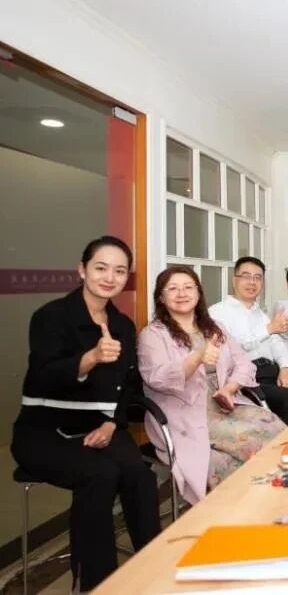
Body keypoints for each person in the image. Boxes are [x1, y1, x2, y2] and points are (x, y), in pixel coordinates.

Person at [12, 236, 160, 593]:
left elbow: (127, 386)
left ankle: (155, 571)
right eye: (101, 268)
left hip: (98, 427)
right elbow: (43, 376)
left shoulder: (122, 325)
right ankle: (97, 583)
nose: (110, 277)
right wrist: (90, 358)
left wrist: (112, 422)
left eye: (119, 271)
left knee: (139, 475)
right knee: (100, 475)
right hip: (44, 432)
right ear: (82, 270)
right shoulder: (51, 317)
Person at [138, 266, 285, 504]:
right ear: (161, 298)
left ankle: (274, 500)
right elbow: (157, 378)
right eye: (173, 289)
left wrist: (229, 388)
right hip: (183, 412)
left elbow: (244, 364)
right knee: (249, 443)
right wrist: (197, 357)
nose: (182, 293)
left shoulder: (214, 327)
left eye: (188, 287)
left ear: (198, 293)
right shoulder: (153, 335)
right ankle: (248, 507)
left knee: (276, 429)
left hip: (225, 403)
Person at [209, 257, 288, 425]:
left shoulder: (260, 313)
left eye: (257, 277)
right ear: (234, 280)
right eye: (246, 276)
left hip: (272, 371)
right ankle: (284, 439)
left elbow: (278, 345)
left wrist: (285, 368)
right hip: (245, 380)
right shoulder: (218, 312)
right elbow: (233, 349)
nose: (252, 282)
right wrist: (269, 329)